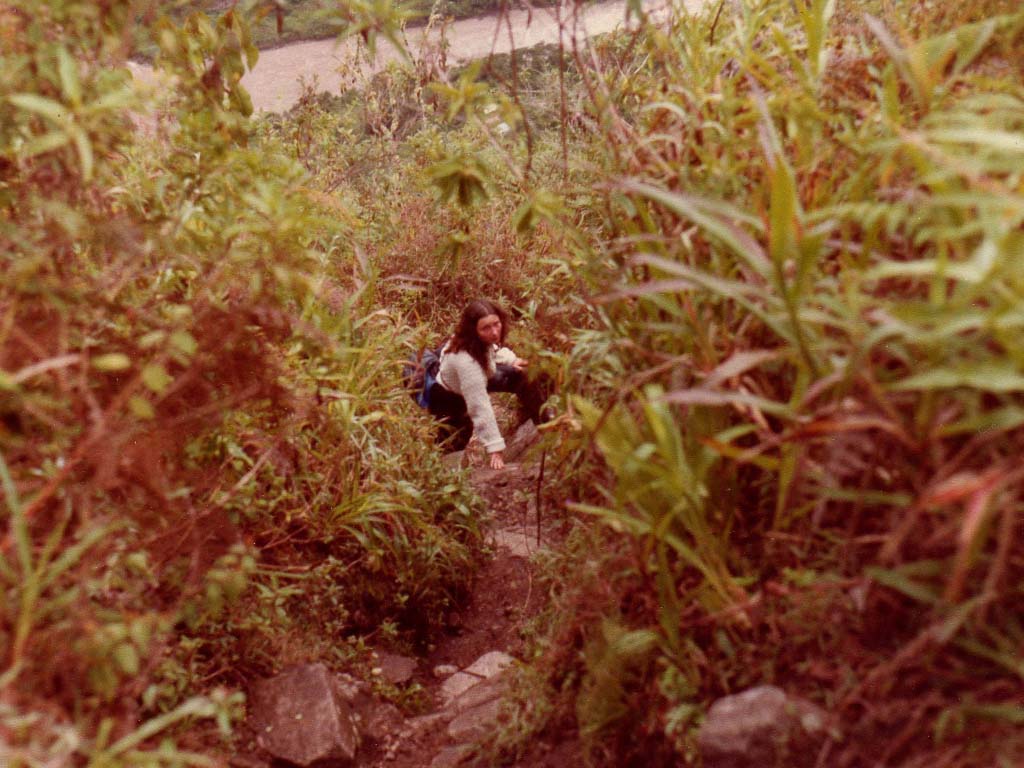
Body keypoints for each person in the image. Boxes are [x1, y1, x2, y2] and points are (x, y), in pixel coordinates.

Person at [427, 299, 548, 470]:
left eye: (496, 324)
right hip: (448, 399)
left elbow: (492, 350)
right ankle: (442, 477)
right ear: (473, 331)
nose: (494, 332)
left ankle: (547, 425)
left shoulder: (477, 342)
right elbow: (479, 406)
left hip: (476, 378)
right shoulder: (466, 362)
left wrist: (511, 360)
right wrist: (495, 448)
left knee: (520, 376)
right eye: (486, 328)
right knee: (453, 444)